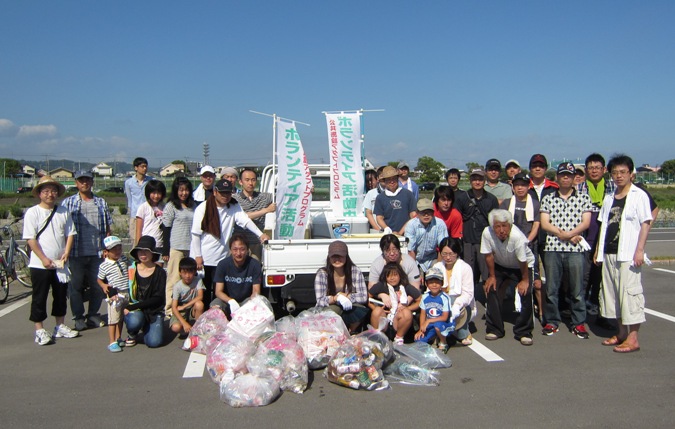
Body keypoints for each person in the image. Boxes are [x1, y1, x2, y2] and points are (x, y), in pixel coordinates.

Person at [595, 154, 652, 353]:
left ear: (631, 174)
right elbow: (604, 226)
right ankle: (621, 333)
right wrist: (598, 251)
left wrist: (640, 250)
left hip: (629, 254)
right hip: (610, 253)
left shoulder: (639, 195)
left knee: (630, 295)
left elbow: (645, 223)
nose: (618, 176)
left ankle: (633, 338)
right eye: (615, 173)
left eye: (623, 172)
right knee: (612, 296)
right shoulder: (610, 197)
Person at [190, 179, 270, 307]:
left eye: (228, 193)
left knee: (218, 292)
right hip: (204, 257)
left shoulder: (233, 206)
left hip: (221, 258)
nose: (225, 196)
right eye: (222, 193)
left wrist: (260, 234)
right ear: (215, 192)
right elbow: (195, 234)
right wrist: (198, 256)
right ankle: (202, 322)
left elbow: (245, 221)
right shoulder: (203, 207)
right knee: (203, 293)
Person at [24, 176, 79, 345]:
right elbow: (30, 239)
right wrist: (43, 258)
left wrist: (67, 252)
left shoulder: (63, 211)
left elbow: (70, 233)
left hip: (60, 263)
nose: (50, 194)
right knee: (39, 297)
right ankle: (39, 329)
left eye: (53, 191)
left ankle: (60, 325)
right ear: (39, 194)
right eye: (46, 191)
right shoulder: (33, 212)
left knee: (61, 295)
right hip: (40, 264)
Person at [540, 162, 592, 338]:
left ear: (574, 178)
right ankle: (552, 321)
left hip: (575, 249)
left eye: (569, 175)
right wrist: (562, 234)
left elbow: (586, 222)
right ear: (557, 177)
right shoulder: (548, 198)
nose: (565, 178)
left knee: (577, 290)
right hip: (553, 248)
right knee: (552, 289)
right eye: (562, 175)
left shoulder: (584, 197)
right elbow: (545, 224)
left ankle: (579, 323)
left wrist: (569, 235)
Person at [61, 170, 113, 331]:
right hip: (76, 253)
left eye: (87, 180)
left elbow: (107, 228)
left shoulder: (101, 202)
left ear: (92, 182)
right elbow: (62, 229)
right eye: (81, 180)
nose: (85, 183)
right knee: (75, 287)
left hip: (97, 252)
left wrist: (107, 247)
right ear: (76, 183)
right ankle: (78, 317)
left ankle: (93, 315)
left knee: (97, 286)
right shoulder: (68, 203)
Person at [480, 209, 536, 345]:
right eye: (497, 226)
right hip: (500, 264)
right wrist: (491, 276)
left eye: (504, 226)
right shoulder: (487, 233)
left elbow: (523, 261)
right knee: (491, 288)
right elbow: (488, 255)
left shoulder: (517, 237)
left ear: (510, 225)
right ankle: (495, 328)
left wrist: (524, 280)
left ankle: (524, 331)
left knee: (526, 292)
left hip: (521, 266)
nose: (501, 230)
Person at [575, 153, 616, 329]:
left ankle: (602, 315)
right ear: (586, 170)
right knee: (583, 279)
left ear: (604, 169)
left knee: (602, 280)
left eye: (597, 167)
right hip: (585, 240)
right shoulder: (579, 188)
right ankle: (580, 316)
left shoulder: (612, 186)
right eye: (590, 168)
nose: (594, 171)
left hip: (606, 242)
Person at [500, 172, 542, 318]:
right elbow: (502, 225)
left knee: (534, 282)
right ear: (512, 186)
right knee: (505, 281)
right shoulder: (507, 203)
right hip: (509, 247)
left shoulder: (535, 204)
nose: (520, 188)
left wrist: (526, 241)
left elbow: (536, 226)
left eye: (523, 185)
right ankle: (499, 311)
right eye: (517, 185)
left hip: (529, 247)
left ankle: (541, 313)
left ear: (528, 186)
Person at [454, 168, 499, 303]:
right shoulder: (462, 198)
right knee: (468, 274)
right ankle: (468, 302)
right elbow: (457, 218)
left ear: (484, 181)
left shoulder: (491, 199)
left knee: (487, 274)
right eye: (474, 179)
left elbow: (495, 221)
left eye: (480, 179)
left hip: (485, 242)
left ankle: (490, 302)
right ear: (470, 180)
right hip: (467, 241)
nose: (477, 182)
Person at [314, 240, 369, 332]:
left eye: (341, 256)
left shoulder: (355, 271)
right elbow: (320, 300)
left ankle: (351, 332)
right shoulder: (322, 274)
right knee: (333, 311)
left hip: (350, 305)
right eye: (334, 257)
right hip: (330, 307)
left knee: (359, 310)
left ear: (346, 256)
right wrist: (336, 298)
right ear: (329, 257)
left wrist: (347, 296)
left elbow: (363, 297)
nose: (337, 260)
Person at [431, 237, 476, 346]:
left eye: (451, 254)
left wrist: (456, 305)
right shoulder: (436, 267)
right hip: (441, 304)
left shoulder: (465, 268)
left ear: (457, 252)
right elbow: (430, 289)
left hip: (461, 305)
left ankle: (463, 330)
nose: (448, 257)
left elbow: (468, 294)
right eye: (444, 254)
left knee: (461, 334)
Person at [162, 177, 195, 317]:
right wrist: (165, 250)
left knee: (190, 280)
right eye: (181, 190)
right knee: (174, 279)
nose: (184, 193)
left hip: (191, 247)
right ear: (176, 190)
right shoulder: (171, 206)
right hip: (176, 247)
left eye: (186, 189)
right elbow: (166, 228)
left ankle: (188, 309)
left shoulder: (193, 206)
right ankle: (170, 309)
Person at [125, 236, 166, 348]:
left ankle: (146, 326)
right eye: (140, 250)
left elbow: (159, 298)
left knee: (154, 342)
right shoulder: (131, 269)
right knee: (134, 321)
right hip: (135, 309)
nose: (143, 254)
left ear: (153, 253)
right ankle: (132, 333)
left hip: (153, 310)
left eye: (147, 251)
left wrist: (133, 307)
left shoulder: (160, 272)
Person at [368, 262, 422, 345]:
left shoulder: (406, 287)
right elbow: (367, 298)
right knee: (377, 311)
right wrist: (378, 301)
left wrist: (408, 308)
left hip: (398, 321)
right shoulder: (381, 286)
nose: (392, 278)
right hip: (384, 319)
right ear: (385, 277)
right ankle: (377, 339)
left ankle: (399, 338)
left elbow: (420, 300)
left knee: (406, 313)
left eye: (395, 275)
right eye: (388, 275)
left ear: (400, 275)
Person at [211, 234, 262, 317]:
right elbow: (218, 291)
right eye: (235, 249)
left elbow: (256, 290)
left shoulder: (254, 264)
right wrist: (230, 301)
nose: (238, 253)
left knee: (257, 307)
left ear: (247, 250)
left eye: (242, 249)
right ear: (230, 250)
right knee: (214, 308)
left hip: (246, 300)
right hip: (226, 300)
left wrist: (252, 302)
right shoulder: (222, 264)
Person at [233, 168, 275, 260]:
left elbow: (284, 196)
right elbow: (242, 217)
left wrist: (306, 190)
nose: (250, 183)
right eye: (247, 180)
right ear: (240, 182)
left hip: (257, 242)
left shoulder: (265, 197)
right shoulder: (234, 199)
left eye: (253, 180)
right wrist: (266, 210)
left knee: (256, 269)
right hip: (239, 243)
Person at [97, 236, 130, 353]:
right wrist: (104, 286)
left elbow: (131, 268)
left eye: (119, 248)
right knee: (113, 320)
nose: (117, 251)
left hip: (126, 292)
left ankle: (118, 337)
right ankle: (112, 341)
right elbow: (99, 279)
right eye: (113, 249)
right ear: (106, 252)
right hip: (114, 295)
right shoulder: (104, 265)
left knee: (121, 318)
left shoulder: (124, 259)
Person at [414, 267, 453, 353]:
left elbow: (444, 317)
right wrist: (421, 329)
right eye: (431, 282)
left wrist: (428, 321)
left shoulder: (445, 298)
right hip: (431, 324)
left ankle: (443, 342)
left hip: (444, 324)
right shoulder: (424, 297)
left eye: (437, 282)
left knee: (437, 326)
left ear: (442, 283)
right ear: (426, 284)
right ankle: (433, 338)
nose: (434, 285)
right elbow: (423, 314)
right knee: (418, 340)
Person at [404, 198, 448, 273]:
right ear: (417, 213)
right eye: (423, 212)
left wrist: (438, 268)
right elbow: (411, 250)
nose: (426, 215)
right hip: (415, 260)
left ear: (433, 212)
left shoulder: (440, 224)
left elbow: (443, 248)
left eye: (429, 212)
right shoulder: (411, 225)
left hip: (433, 259)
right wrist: (414, 270)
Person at [373, 166, 417, 235]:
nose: (392, 181)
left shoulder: (408, 194)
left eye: (394, 178)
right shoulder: (380, 197)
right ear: (384, 181)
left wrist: (400, 232)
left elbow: (413, 215)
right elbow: (379, 218)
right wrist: (386, 228)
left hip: (407, 233)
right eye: (388, 179)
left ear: (397, 179)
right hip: (388, 234)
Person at [170, 257, 205, 336]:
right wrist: (184, 323)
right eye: (184, 273)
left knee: (199, 304)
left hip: (192, 308)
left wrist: (185, 306)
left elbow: (200, 297)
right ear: (180, 272)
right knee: (176, 327)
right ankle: (186, 329)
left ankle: (197, 329)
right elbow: (174, 308)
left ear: (195, 271)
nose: (187, 276)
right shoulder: (177, 286)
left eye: (190, 272)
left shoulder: (198, 280)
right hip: (181, 311)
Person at [124, 157, 153, 239]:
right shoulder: (129, 183)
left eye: (146, 166)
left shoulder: (151, 181)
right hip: (135, 214)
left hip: (148, 214)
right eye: (142, 166)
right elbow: (130, 199)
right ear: (136, 168)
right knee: (135, 239)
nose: (145, 168)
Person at [135, 179, 166, 248]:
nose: (156, 196)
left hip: (160, 244)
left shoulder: (165, 207)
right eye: (153, 193)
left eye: (159, 193)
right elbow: (138, 230)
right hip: (146, 245)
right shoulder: (143, 207)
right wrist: (138, 247)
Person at [364, 166, 386, 232]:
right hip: (376, 230)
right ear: (378, 178)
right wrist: (377, 229)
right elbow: (368, 213)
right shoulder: (371, 193)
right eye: (382, 177)